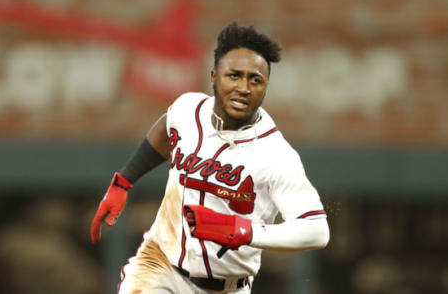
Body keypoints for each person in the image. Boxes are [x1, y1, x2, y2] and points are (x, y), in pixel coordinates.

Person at [91, 22, 330, 293]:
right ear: (214, 76)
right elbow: (167, 126)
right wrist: (123, 181)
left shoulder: (275, 154)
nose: (244, 87)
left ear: (266, 87)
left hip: (227, 287)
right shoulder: (188, 109)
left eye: (255, 80)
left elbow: (317, 230)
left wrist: (245, 231)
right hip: (160, 266)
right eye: (234, 75)